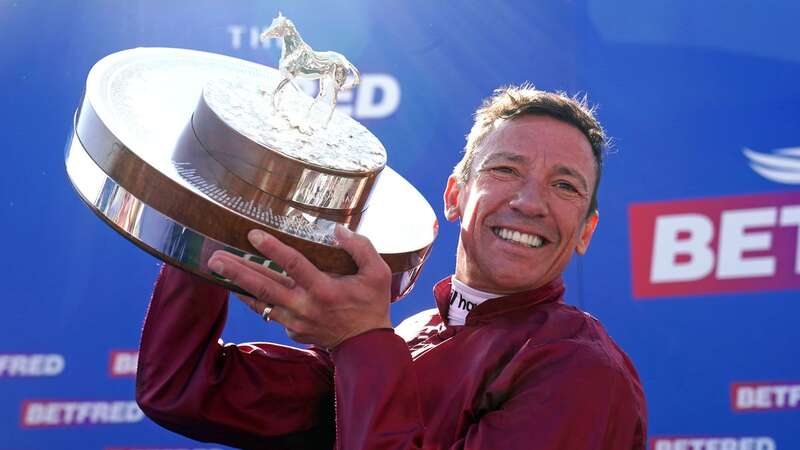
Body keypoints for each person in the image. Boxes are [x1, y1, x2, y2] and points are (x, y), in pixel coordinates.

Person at [136, 84, 647, 449]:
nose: (530, 201)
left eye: (565, 186)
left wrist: (360, 341)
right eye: (506, 169)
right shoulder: (405, 337)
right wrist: (220, 211)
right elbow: (182, 390)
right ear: (455, 196)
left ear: (586, 230)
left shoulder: (582, 369)